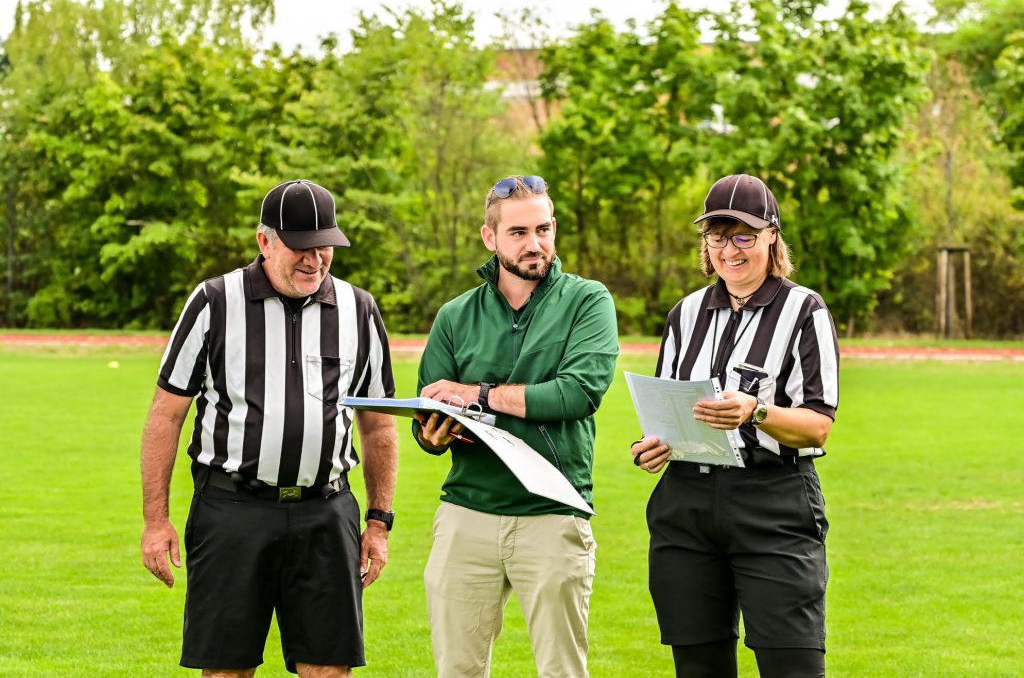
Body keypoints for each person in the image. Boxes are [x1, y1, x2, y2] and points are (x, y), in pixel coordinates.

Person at [140, 179, 399, 678]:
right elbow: (165, 415)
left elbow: (379, 427)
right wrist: (156, 521)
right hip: (232, 510)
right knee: (226, 670)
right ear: (265, 241)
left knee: (328, 669)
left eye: (324, 246)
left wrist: (378, 522)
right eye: (300, 246)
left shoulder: (359, 308)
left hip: (326, 512)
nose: (314, 260)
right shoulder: (214, 301)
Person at [630, 174, 839, 678]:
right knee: (698, 665)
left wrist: (756, 411)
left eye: (743, 235)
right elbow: (668, 410)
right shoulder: (685, 314)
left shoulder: (804, 310)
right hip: (686, 505)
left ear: (772, 235)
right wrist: (649, 448)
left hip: (772, 502)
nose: (730, 249)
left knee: (792, 665)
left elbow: (818, 426)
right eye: (718, 236)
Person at [413, 174, 619, 678]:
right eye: (519, 233)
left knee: (561, 672)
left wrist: (476, 394)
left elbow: (577, 393)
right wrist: (431, 434)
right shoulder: (455, 315)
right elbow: (427, 409)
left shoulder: (587, 301)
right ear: (490, 237)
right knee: (457, 671)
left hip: (553, 513)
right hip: (467, 512)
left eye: (544, 230)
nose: (535, 245)